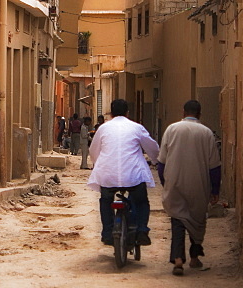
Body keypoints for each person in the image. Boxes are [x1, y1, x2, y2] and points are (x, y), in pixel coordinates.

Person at [156, 99, 221, 276]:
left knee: (177, 219)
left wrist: (165, 182)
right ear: (199, 114)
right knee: (197, 220)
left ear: (183, 113)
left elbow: (161, 162)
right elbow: (214, 166)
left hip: (175, 182)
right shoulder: (206, 133)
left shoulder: (171, 129)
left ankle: (177, 260)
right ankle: (194, 258)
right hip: (198, 184)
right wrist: (215, 190)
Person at [87, 99, 159, 245]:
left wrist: (98, 164)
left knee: (106, 201)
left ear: (111, 113)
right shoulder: (136, 128)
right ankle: (142, 231)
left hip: (108, 175)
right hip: (133, 175)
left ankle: (107, 233)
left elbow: (93, 151)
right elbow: (152, 148)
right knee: (141, 201)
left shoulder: (103, 128)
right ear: (127, 112)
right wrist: (156, 161)